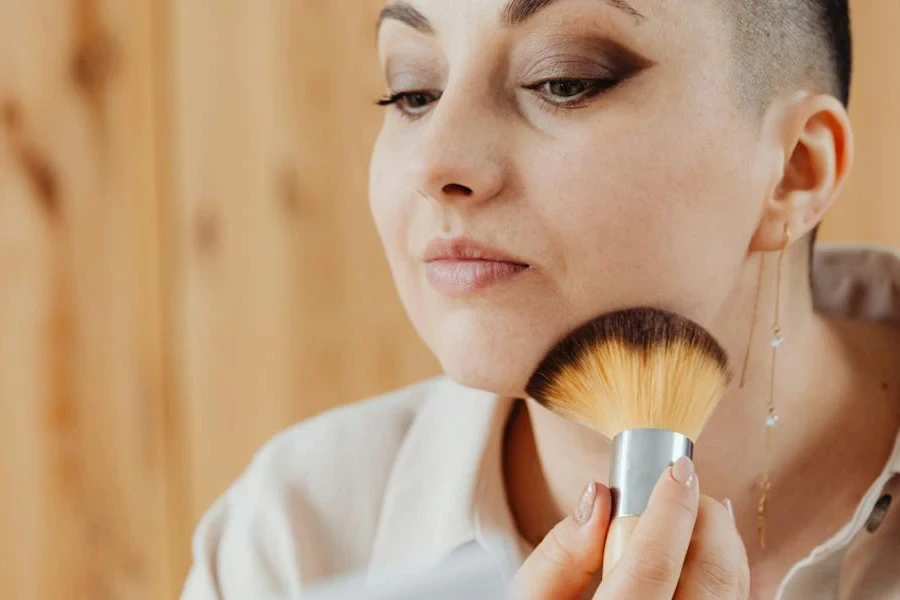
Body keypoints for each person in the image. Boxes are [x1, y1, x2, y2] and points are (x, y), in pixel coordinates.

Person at [181, 0, 900, 598]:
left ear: (794, 171)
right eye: (413, 92)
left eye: (562, 80)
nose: (436, 161)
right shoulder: (295, 539)